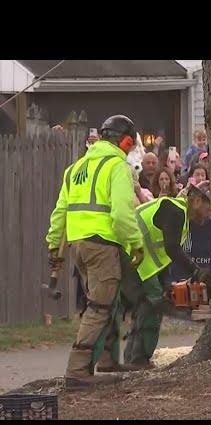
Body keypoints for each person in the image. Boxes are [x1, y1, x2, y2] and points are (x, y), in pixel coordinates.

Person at [45, 114, 145, 390]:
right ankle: (77, 370)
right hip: (102, 245)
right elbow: (123, 216)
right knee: (100, 306)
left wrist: (55, 246)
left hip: (79, 245)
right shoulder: (117, 167)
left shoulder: (76, 168)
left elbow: (59, 214)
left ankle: (103, 361)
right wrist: (135, 244)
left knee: (102, 303)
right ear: (126, 141)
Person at [124, 187, 211, 367]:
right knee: (154, 304)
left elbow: (162, 254)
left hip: (137, 258)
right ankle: (138, 359)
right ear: (196, 201)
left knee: (146, 305)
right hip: (132, 256)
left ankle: (132, 358)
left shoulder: (176, 213)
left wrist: (166, 284)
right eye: (207, 209)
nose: (207, 216)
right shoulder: (176, 212)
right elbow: (172, 248)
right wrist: (196, 271)